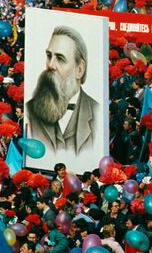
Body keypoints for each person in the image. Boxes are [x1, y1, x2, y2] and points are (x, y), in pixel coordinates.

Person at [25, 25, 100, 157]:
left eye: (60, 58)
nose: (50, 65)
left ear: (80, 70)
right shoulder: (30, 110)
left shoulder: (97, 112)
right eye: (49, 56)